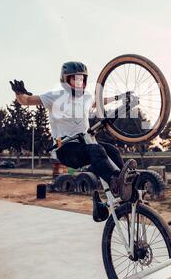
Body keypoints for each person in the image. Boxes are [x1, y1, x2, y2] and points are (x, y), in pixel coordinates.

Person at [9, 61, 138, 207]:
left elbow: (100, 101)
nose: (79, 83)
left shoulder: (87, 97)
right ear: (65, 80)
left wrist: (120, 97)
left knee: (112, 150)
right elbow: (26, 101)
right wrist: (19, 93)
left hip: (86, 145)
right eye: (74, 79)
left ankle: (127, 188)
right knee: (96, 150)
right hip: (65, 149)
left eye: (82, 79)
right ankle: (116, 184)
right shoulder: (55, 97)